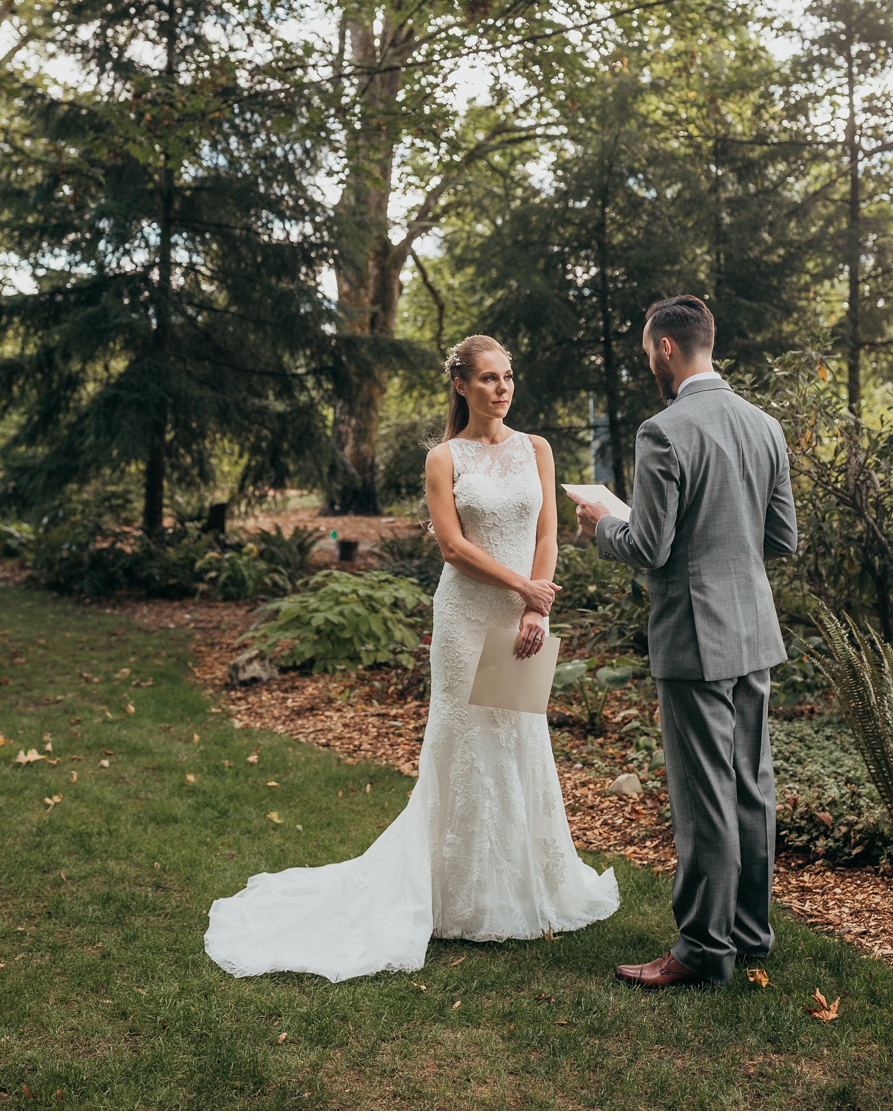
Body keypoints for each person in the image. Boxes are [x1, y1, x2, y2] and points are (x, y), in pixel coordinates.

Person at [205, 333, 618, 981]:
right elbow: (451, 546)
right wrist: (520, 587)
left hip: (522, 613)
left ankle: (526, 889)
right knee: (464, 743)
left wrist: (538, 607)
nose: (502, 387)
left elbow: (546, 532)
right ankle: (452, 897)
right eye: (488, 377)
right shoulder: (443, 457)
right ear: (461, 384)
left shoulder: (537, 448)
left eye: (508, 376)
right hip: (466, 614)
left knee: (517, 736)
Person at [575, 294, 796, 990]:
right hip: (754, 632)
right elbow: (781, 537)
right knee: (751, 787)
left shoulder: (663, 431)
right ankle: (750, 931)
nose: (650, 365)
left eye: (648, 354)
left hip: (695, 638)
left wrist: (600, 524)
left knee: (705, 798)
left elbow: (647, 543)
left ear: (666, 348)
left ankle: (703, 947)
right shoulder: (765, 425)